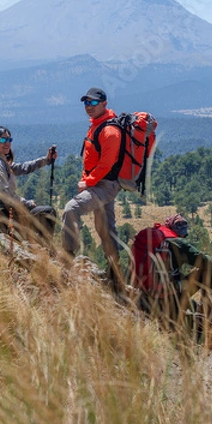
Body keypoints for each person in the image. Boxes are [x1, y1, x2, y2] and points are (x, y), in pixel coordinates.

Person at [61, 87, 123, 287]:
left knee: (71, 209)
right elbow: (90, 162)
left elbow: (106, 164)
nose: (89, 106)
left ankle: (67, 259)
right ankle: (115, 273)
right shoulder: (96, 125)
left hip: (105, 185)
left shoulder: (109, 131)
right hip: (98, 184)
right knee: (104, 228)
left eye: (93, 102)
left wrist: (88, 182)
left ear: (104, 104)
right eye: (86, 103)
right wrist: (85, 180)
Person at [133, 213, 212, 324]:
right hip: (169, 297)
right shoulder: (178, 243)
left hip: (143, 295)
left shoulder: (149, 239)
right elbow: (209, 261)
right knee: (210, 269)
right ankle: (206, 314)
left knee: (178, 274)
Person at [0, 125, 57, 243]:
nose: (7, 143)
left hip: (7, 214)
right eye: (3, 140)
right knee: (48, 213)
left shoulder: (1, 161)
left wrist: (46, 160)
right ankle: (43, 251)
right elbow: (6, 194)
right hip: (5, 218)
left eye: (9, 140)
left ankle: (38, 248)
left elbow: (23, 167)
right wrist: (27, 203)